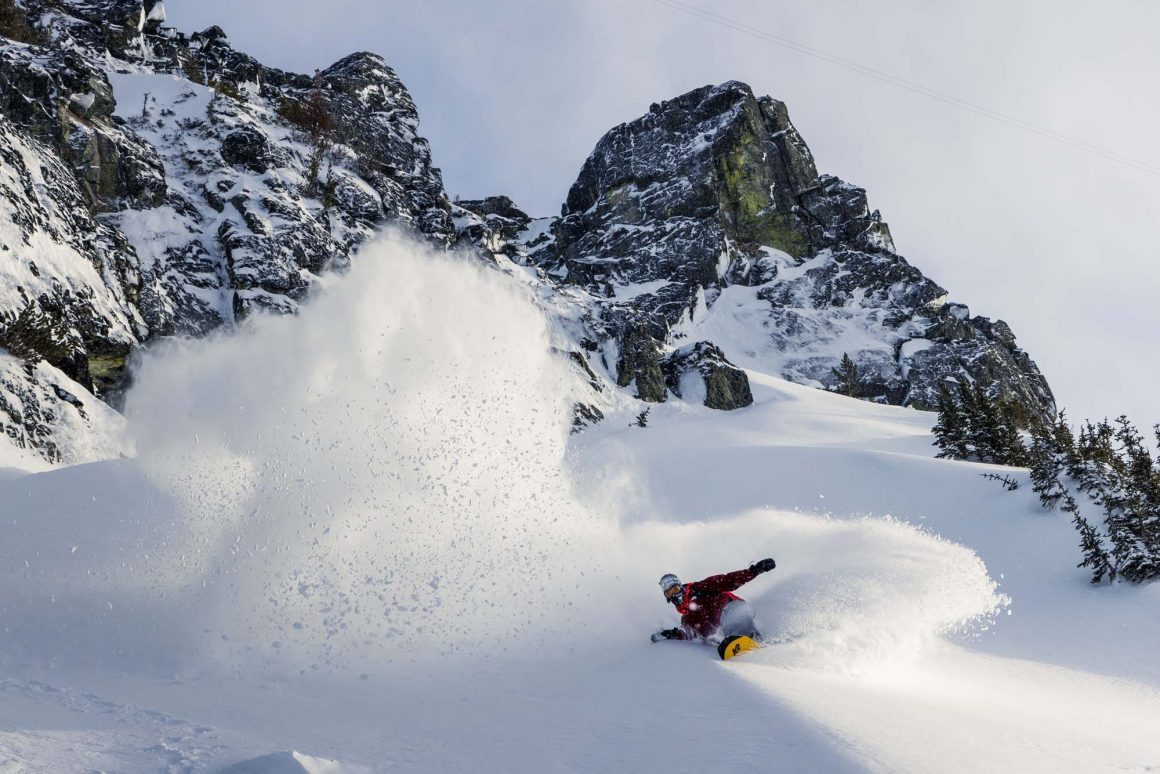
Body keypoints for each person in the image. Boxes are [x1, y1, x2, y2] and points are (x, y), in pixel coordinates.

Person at [651, 558, 776, 644]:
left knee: (730, 618)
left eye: (676, 589)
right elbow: (690, 633)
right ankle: (740, 642)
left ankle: (752, 639)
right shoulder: (687, 618)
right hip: (725, 627)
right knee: (715, 634)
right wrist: (672, 634)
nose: (674, 594)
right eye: (669, 592)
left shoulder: (700, 588)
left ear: (681, 586)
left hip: (734, 608)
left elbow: (727, 580)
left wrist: (754, 571)